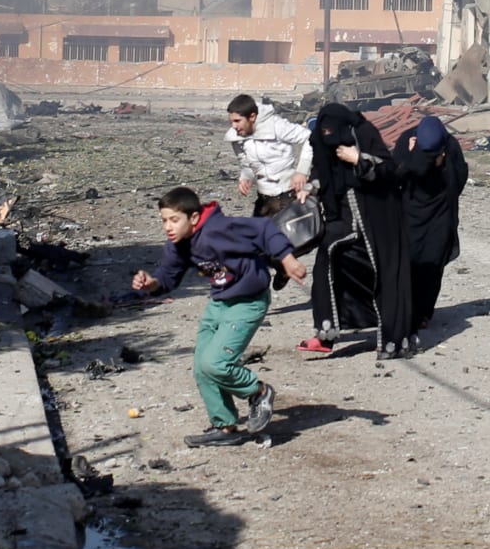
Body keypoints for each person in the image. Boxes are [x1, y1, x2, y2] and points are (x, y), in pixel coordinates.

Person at [131, 186, 307, 447]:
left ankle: (259, 392)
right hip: (219, 304)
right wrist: (151, 284)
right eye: (164, 220)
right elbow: (168, 277)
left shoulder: (220, 229)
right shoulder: (178, 244)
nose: (168, 227)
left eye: (174, 220)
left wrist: (288, 260)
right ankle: (225, 427)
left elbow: (264, 229)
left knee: (216, 364)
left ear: (193, 218)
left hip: (248, 303)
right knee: (202, 367)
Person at [303, 102, 412, 360]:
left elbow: (389, 171)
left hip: (377, 219)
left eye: (332, 130)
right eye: (324, 131)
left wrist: (358, 160)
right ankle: (326, 333)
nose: (328, 136)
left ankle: (394, 340)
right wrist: (310, 187)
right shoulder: (322, 141)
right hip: (341, 220)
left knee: (387, 277)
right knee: (326, 264)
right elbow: (322, 171)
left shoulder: (362, 134)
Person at [396, 115, 468, 339]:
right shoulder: (406, 141)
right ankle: (405, 311)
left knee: (433, 264)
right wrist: (409, 158)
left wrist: (442, 169)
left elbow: (459, 177)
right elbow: (393, 175)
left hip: (439, 214)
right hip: (410, 215)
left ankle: (424, 313)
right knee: (409, 263)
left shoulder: (450, 146)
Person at [225, 93, 312, 220]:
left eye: (237, 121)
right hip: (264, 200)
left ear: (252, 117)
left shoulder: (276, 126)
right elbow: (245, 162)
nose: (234, 126)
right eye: (231, 121)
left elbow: (310, 138)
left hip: (287, 196)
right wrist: (246, 177)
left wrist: (302, 171)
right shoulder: (237, 136)